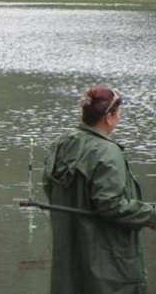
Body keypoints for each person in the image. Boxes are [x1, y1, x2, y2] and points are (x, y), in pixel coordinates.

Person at [43, 86, 156, 294]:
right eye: (119, 113)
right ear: (109, 117)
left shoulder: (62, 142)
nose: (120, 118)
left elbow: (48, 186)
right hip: (109, 266)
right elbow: (112, 205)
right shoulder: (107, 152)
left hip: (70, 257)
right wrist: (151, 214)